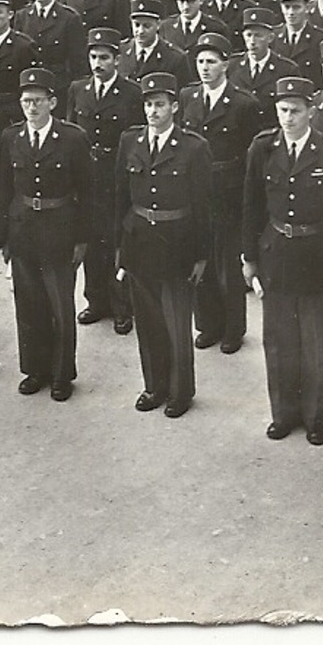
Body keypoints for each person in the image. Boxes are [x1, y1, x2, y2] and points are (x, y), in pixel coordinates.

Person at [241, 76, 323, 446]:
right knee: (278, 341)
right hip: (277, 253)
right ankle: (283, 414)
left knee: (317, 344)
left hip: (317, 254)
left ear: (312, 111)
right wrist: (250, 259)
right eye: (282, 110)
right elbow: (252, 207)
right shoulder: (263, 148)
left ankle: (316, 418)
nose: (288, 118)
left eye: (296, 111)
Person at [115, 72, 213, 418]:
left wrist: (202, 255)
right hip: (140, 243)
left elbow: (204, 205)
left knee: (176, 322)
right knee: (148, 321)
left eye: (159, 104)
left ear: (175, 106)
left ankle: (180, 391)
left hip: (178, 245)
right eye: (148, 104)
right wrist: (121, 246)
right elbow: (120, 197)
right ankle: (154, 386)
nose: (153, 111)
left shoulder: (194, 147)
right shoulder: (131, 142)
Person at [0, 67, 92, 400]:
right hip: (23, 229)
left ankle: (62, 374)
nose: (32, 108)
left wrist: (82, 238)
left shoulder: (72, 138)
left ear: (53, 102)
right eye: (26, 101)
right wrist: (6, 237)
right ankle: (34, 369)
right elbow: (4, 189)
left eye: (38, 101)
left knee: (59, 307)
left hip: (60, 230)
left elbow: (87, 191)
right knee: (28, 305)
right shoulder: (11, 137)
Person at [179, 32, 264, 354]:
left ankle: (233, 329)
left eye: (211, 62)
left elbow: (252, 157)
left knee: (228, 265)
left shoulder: (244, 103)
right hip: (196, 190)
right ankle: (208, 324)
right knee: (200, 259)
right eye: (200, 62)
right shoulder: (188, 97)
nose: (204, 68)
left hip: (229, 191)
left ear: (226, 64)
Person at [70, 28, 142, 335]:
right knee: (91, 239)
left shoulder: (132, 93)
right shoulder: (78, 89)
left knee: (117, 241)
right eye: (93, 57)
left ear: (117, 59)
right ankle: (96, 301)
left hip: (118, 176)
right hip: (88, 178)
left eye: (104, 58)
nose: (97, 63)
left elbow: (140, 139)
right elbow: (71, 132)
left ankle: (122, 306)